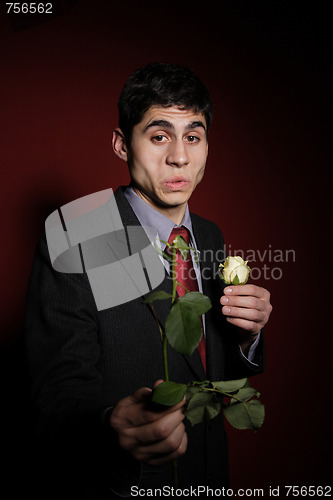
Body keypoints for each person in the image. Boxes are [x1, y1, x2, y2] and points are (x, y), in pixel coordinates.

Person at [25, 63, 272, 499]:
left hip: (211, 478)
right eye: (159, 136)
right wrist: (108, 426)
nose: (179, 156)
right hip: (125, 485)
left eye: (192, 137)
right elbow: (55, 397)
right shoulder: (80, 232)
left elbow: (205, 366)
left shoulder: (210, 235)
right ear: (122, 145)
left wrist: (246, 335)